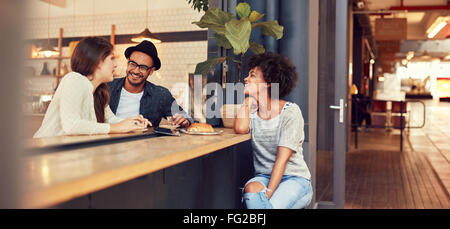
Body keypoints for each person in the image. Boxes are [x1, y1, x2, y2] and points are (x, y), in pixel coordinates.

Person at [234, 52, 313, 209]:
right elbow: (241, 128)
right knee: (251, 189)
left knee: (271, 206)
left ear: (268, 83)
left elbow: (281, 160)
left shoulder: (290, 112)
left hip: (295, 179)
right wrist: (248, 100)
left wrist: (268, 195)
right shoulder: (252, 112)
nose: (246, 79)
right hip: (263, 177)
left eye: (252, 76)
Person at [34, 37, 149, 138]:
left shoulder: (99, 91)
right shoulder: (74, 79)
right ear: (98, 61)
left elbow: (111, 120)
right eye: (111, 59)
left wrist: (135, 122)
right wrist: (117, 128)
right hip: (44, 153)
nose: (115, 65)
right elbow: (72, 125)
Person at [107, 40, 193, 128]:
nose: (136, 71)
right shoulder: (106, 87)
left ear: (151, 71)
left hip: (143, 141)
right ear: (127, 62)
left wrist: (184, 121)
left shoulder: (160, 95)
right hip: (107, 140)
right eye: (133, 64)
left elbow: (184, 118)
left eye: (143, 67)